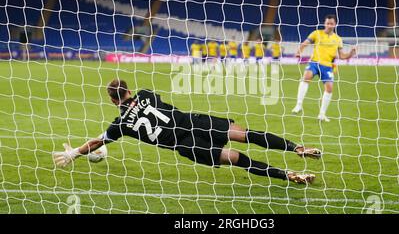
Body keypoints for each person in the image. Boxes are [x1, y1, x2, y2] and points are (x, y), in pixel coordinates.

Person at [53, 79, 321, 184]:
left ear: (113, 101)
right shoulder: (146, 94)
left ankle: (289, 175)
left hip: (185, 144)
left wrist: (75, 152)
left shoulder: (120, 124)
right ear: (129, 91)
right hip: (194, 121)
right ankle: (296, 148)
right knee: (245, 134)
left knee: (237, 158)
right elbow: (144, 103)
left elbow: (99, 140)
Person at [292, 14, 356, 122]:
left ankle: (322, 114)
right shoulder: (316, 33)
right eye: (327, 23)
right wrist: (299, 51)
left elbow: (342, 56)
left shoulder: (338, 39)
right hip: (315, 62)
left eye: (331, 23)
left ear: (335, 24)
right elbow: (305, 43)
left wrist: (351, 53)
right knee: (306, 77)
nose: (329, 25)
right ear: (324, 24)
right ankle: (298, 105)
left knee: (330, 88)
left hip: (327, 66)